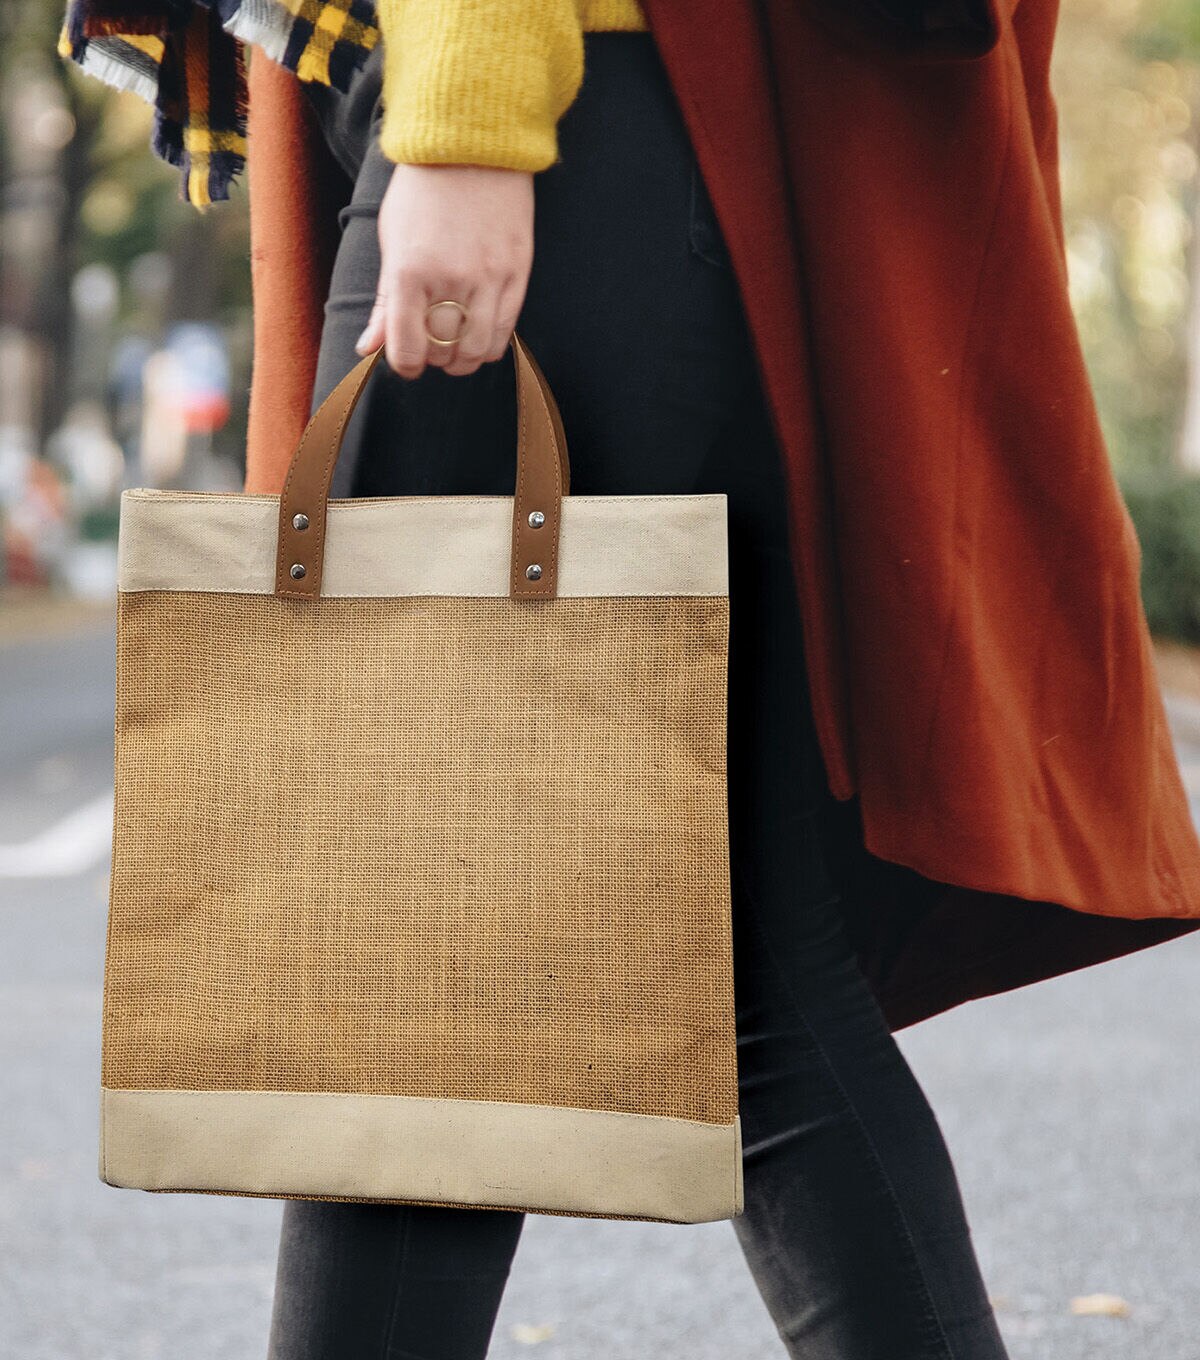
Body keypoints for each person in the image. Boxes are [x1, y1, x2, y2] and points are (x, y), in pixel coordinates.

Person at [258, 12, 1009, 1360]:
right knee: (753, 980)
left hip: (518, 128)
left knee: (417, 995)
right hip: (624, 144)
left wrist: (469, 125)